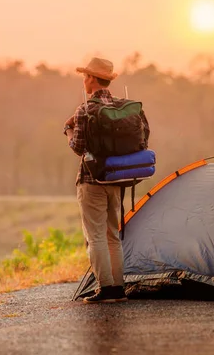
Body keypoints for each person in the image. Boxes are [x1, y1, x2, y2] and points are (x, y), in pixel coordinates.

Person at [64, 57, 149, 304]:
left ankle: (105, 288)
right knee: (113, 234)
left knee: (95, 236)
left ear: (91, 78)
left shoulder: (85, 109)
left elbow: (78, 147)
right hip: (118, 178)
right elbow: (143, 139)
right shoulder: (127, 107)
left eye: (85, 76)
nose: (84, 80)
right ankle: (118, 288)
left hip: (92, 180)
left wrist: (68, 130)